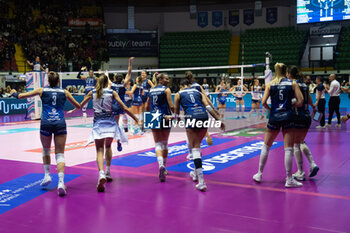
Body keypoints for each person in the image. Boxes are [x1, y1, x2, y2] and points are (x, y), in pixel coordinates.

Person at [10, 72, 81, 196]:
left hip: (46, 123)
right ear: (58, 81)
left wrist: (13, 93)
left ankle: (47, 175)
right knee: (60, 154)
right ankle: (60, 182)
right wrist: (77, 107)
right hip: (60, 123)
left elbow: (22, 96)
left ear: (48, 80)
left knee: (46, 150)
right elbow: (78, 106)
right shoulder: (65, 92)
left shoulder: (41, 90)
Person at [78, 75, 139, 192]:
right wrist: (136, 118)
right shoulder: (112, 92)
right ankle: (108, 172)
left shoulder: (92, 92)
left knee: (99, 150)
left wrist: (74, 108)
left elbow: (80, 105)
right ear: (107, 83)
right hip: (110, 122)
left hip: (98, 123)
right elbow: (124, 107)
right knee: (108, 146)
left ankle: (101, 174)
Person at [253, 63, 304, 188]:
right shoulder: (292, 83)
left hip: (274, 116)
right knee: (288, 149)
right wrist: (292, 106)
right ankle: (289, 179)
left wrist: (271, 110)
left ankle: (259, 174)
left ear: (275, 71)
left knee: (266, 146)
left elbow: (263, 102)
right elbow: (301, 101)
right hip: (287, 116)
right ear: (286, 71)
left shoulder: (270, 84)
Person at [174, 79, 224, 191]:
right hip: (203, 115)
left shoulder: (178, 94)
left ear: (181, 86)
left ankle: (201, 181)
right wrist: (218, 120)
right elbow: (208, 107)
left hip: (191, 116)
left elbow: (176, 112)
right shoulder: (199, 92)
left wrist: (176, 119)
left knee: (195, 148)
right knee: (198, 145)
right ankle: (196, 173)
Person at [287, 66, 319, 181]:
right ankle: (312, 163)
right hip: (306, 116)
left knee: (296, 144)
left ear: (290, 74)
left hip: (297, 116)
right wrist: (314, 109)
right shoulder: (305, 85)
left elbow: (294, 101)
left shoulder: (292, 85)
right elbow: (310, 101)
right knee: (301, 142)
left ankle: (300, 172)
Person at [148, 73, 174, 182]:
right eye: (166, 79)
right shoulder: (166, 90)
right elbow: (171, 106)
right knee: (164, 143)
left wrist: (144, 119)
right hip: (165, 116)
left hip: (152, 117)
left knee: (157, 143)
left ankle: (160, 166)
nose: (168, 81)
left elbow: (146, 105)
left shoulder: (151, 90)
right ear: (160, 80)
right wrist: (176, 115)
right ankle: (164, 167)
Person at [109, 57, 134, 150]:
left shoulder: (111, 84)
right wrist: (130, 63)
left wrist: (106, 74)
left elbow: (106, 78)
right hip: (122, 105)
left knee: (115, 123)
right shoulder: (124, 84)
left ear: (115, 78)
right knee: (125, 116)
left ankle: (115, 140)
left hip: (114, 105)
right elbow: (129, 73)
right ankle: (125, 129)